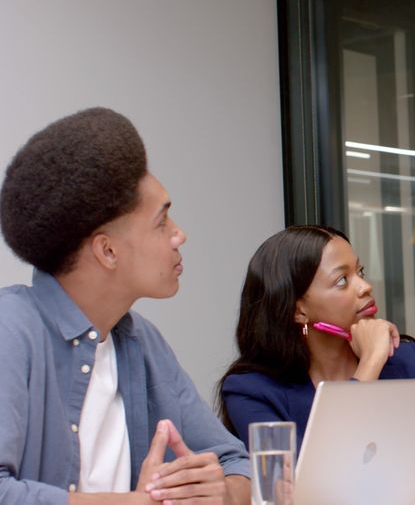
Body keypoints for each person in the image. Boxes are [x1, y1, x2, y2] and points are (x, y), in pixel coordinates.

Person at [0, 107, 250, 504]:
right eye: (162, 221)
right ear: (108, 250)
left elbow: (235, 461)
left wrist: (222, 492)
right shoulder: (11, 329)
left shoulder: (140, 341)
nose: (179, 235)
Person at [217, 225, 415, 501]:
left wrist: (355, 489)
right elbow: (311, 490)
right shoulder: (251, 389)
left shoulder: (403, 361)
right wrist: (368, 366)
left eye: (360, 272)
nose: (365, 286)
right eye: (342, 280)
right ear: (300, 310)